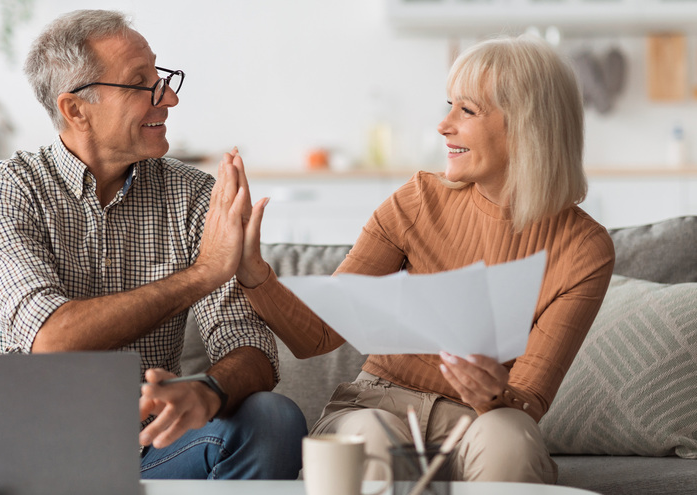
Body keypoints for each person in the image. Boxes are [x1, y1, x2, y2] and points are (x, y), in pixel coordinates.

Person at [0, 9, 306, 480]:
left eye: (162, 78)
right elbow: (52, 339)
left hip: (145, 451)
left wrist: (209, 389)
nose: (169, 96)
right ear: (76, 109)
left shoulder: (195, 198)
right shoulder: (3, 188)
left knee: (273, 419)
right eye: (142, 83)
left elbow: (251, 349)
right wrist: (203, 274)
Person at [230, 35, 615, 483]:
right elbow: (316, 335)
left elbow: (528, 396)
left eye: (466, 111)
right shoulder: (417, 200)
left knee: (508, 435)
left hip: (480, 422)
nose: (443, 125)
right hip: (379, 404)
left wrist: (494, 394)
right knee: (365, 436)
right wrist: (254, 274)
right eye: (449, 105)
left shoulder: (584, 248)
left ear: (526, 126)